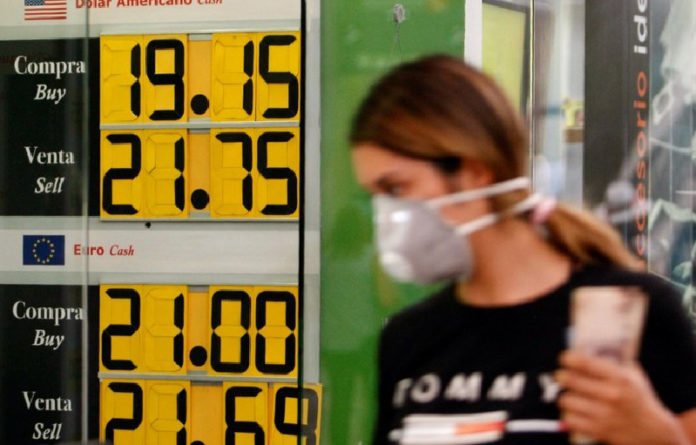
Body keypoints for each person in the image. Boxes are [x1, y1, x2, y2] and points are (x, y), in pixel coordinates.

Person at [349, 55, 696, 445]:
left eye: (395, 188)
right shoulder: (408, 339)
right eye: (374, 195)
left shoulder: (632, 311)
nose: (385, 214)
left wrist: (655, 435)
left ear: (474, 170)